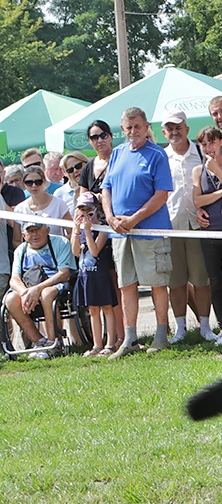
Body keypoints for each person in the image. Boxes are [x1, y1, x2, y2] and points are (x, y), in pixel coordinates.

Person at [101, 107, 173, 359]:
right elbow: (106, 189)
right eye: (128, 127)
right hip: (120, 234)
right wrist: (110, 217)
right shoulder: (117, 153)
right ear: (122, 129)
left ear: (146, 127)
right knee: (126, 285)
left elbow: (161, 195)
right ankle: (130, 338)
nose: (133, 131)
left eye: (137, 126)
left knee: (157, 283)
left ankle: (161, 335)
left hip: (151, 232)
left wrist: (134, 219)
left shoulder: (157, 154)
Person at [161, 110, 215, 343]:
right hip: (171, 226)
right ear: (164, 132)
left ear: (186, 129)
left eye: (178, 127)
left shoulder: (200, 155)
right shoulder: (161, 157)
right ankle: (180, 329)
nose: (175, 132)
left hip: (197, 225)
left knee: (202, 279)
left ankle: (205, 327)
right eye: (170, 128)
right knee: (176, 281)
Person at [78, 118, 124, 349]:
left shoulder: (119, 159)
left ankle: (122, 337)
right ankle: (106, 341)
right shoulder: (88, 167)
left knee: (119, 286)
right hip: (93, 232)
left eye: (103, 135)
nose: (99, 140)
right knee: (104, 290)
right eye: (94, 137)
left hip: (115, 227)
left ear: (110, 136)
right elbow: (82, 199)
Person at [193, 126, 222, 346]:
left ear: (221, 142)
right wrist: (221, 192)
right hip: (209, 231)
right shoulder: (198, 170)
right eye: (204, 144)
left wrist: (219, 174)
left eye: (212, 142)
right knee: (215, 282)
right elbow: (197, 200)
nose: (209, 148)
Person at [7, 222, 76, 358]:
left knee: (46, 294)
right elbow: (14, 279)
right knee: (10, 299)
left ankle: (53, 342)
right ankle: (39, 342)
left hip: (55, 284)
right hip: (28, 286)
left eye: (37, 230)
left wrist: (37, 289)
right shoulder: (20, 250)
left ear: (47, 229)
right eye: (30, 231)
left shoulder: (60, 242)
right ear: (24, 235)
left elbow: (64, 273)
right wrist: (25, 293)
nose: (34, 234)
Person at [70, 192, 118, 356]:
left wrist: (89, 232)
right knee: (93, 310)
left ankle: (110, 343)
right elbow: (76, 251)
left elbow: (95, 251)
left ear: (97, 209)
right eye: (82, 212)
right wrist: (77, 231)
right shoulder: (81, 229)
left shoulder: (102, 228)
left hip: (101, 275)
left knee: (107, 308)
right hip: (86, 276)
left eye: (89, 211)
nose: (85, 216)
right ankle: (97, 344)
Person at [14, 165, 72, 237]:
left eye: (38, 182)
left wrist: (59, 244)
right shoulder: (20, 209)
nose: (34, 185)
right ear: (24, 184)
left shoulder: (59, 204)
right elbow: (16, 240)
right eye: (29, 182)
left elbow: (72, 232)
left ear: (44, 182)